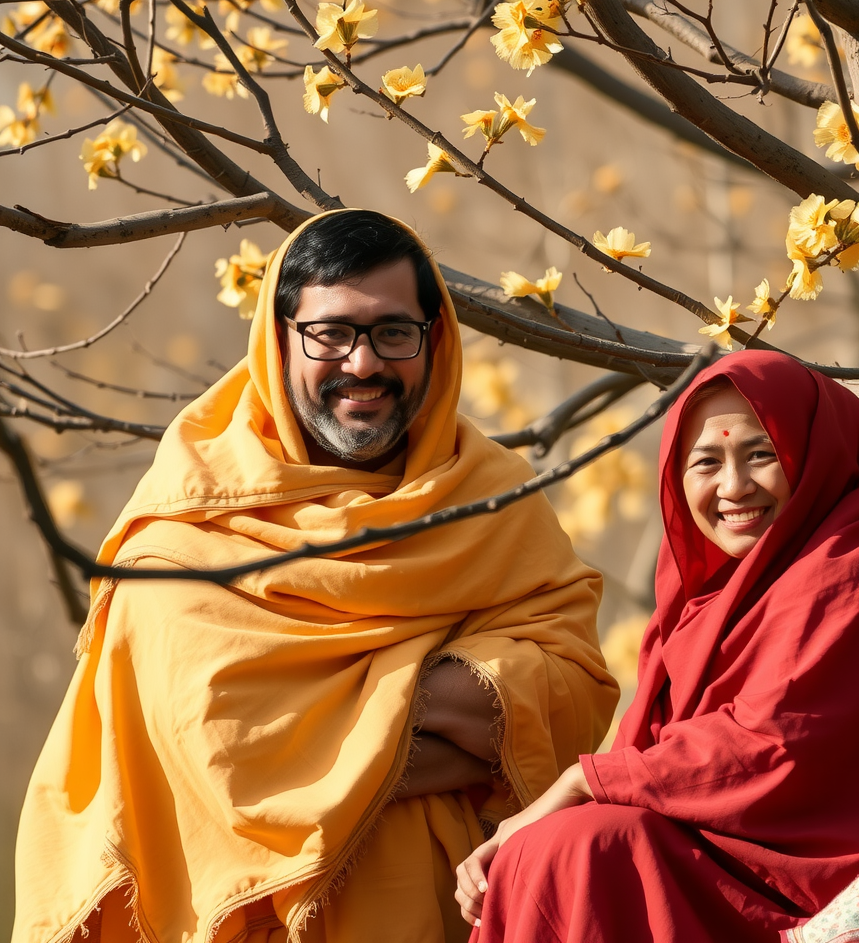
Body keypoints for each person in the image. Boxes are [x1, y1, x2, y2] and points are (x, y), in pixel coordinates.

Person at [14, 210, 618, 943]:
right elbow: (231, 752)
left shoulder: (492, 499)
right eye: (330, 333)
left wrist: (323, 719)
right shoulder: (183, 536)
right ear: (278, 340)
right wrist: (449, 712)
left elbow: (576, 691)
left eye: (393, 332)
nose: (363, 364)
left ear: (435, 341)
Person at [455, 349, 859, 943]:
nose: (734, 487)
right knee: (559, 849)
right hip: (753, 860)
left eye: (761, 454)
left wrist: (579, 783)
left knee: (583, 848)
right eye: (706, 461)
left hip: (850, 870)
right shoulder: (709, 608)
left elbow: (773, 745)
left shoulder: (854, 574)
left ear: (814, 457)